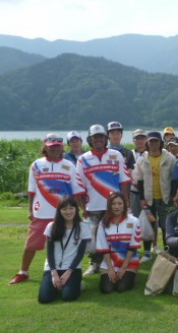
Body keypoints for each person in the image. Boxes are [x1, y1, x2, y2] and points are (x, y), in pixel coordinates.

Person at [10, 133, 83, 285]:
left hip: (65, 213)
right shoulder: (36, 165)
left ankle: (68, 273)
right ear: (45, 148)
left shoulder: (69, 165)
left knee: (67, 244)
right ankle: (23, 272)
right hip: (42, 212)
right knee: (32, 244)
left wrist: (79, 210)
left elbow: (76, 191)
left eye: (58, 146)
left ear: (62, 147)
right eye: (52, 147)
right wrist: (30, 210)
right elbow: (31, 190)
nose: (55, 149)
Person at [75, 124, 131, 277]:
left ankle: (116, 263)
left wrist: (126, 201)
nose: (98, 140)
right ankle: (95, 264)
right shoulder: (83, 159)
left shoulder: (116, 155)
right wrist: (82, 207)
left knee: (116, 235)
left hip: (115, 205)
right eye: (95, 137)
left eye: (101, 137)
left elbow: (125, 180)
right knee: (94, 238)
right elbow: (79, 185)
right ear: (90, 140)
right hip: (93, 206)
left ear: (106, 139)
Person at [38, 196, 92, 303]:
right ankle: (59, 285)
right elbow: (50, 253)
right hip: (52, 267)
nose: (68, 211)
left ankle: (76, 284)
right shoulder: (52, 226)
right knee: (45, 299)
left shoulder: (83, 227)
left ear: (76, 209)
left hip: (72, 268)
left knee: (68, 297)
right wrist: (54, 274)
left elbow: (80, 254)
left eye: (71, 208)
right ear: (59, 211)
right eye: (64, 209)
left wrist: (68, 273)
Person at [133, 131, 177, 260]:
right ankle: (147, 252)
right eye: (151, 141)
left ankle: (167, 251)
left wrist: (173, 196)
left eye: (156, 141)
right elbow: (139, 180)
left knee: (166, 226)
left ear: (160, 143)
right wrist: (141, 199)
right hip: (148, 199)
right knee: (148, 225)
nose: (153, 144)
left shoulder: (170, 158)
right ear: (147, 143)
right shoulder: (142, 159)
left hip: (166, 198)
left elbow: (174, 179)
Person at [96, 192, 141, 294]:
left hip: (129, 262)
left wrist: (124, 267)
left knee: (121, 287)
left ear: (125, 205)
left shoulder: (134, 221)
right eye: (113, 203)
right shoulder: (103, 223)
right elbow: (104, 248)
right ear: (109, 205)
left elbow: (133, 246)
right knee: (107, 289)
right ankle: (110, 275)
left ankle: (133, 276)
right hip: (109, 263)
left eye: (120, 203)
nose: (116, 206)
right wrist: (110, 269)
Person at [129, 129, 148, 233]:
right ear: (134, 140)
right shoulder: (130, 154)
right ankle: (134, 241)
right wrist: (133, 182)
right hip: (134, 191)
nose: (140, 141)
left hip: (148, 192)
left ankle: (152, 243)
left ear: (146, 140)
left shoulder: (150, 154)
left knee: (150, 217)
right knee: (135, 218)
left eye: (142, 138)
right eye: (137, 139)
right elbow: (127, 171)